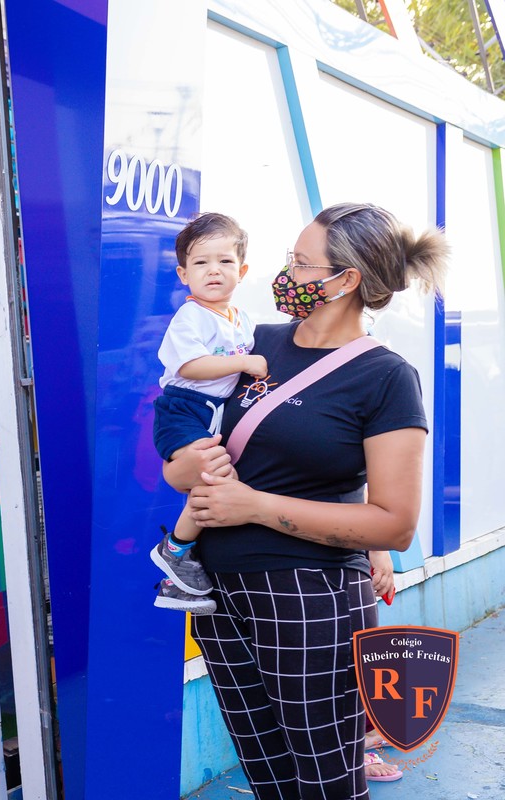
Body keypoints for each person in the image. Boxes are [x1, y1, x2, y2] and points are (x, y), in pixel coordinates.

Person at [164, 202, 446, 799]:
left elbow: (395, 523)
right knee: (265, 772)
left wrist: (255, 507)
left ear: (345, 280)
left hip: (310, 595)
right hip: (217, 593)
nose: (285, 272)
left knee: (325, 781)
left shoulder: (385, 377)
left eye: (299, 262)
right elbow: (182, 442)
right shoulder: (249, 342)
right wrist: (182, 467)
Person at [150, 213, 267, 614]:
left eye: (225, 261)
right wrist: (245, 362)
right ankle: (175, 549)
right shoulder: (191, 317)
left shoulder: (243, 320)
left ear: (242, 271)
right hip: (183, 409)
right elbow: (191, 367)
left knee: (216, 483)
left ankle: (176, 582)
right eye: (201, 262)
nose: (213, 270)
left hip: (214, 412)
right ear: (184, 274)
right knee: (216, 478)